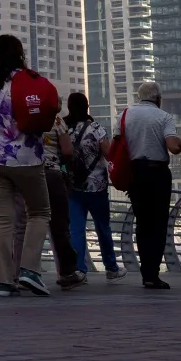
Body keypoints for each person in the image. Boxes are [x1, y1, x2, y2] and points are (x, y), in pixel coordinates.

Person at [0, 34, 51, 297]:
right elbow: (50, 108)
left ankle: (4, 282)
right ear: (19, 54)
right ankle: (28, 270)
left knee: (2, 220)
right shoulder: (28, 81)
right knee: (39, 212)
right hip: (27, 158)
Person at [119, 80, 181, 289]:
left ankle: (145, 273)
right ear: (158, 98)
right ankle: (152, 274)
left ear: (140, 97)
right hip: (157, 173)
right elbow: (173, 147)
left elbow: (116, 143)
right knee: (158, 224)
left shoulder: (125, 114)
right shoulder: (164, 117)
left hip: (135, 173)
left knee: (142, 223)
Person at [64, 92, 121, 280]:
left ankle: (79, 269)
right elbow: (109, 153)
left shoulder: (64, 128)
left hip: (73, 187)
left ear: (69, 108)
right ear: (87, 107)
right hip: (97, 186)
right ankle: (111, 267)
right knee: (103, 227)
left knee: (76, 230)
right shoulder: (96, 128)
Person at [38, 108, 83, 288]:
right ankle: (67, 272)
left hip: (24, 173)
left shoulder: (20, 113)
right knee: (59, 226)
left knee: (22, 227)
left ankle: (21, 272)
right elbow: (67, 150)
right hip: (51, 173)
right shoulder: (55, 118)